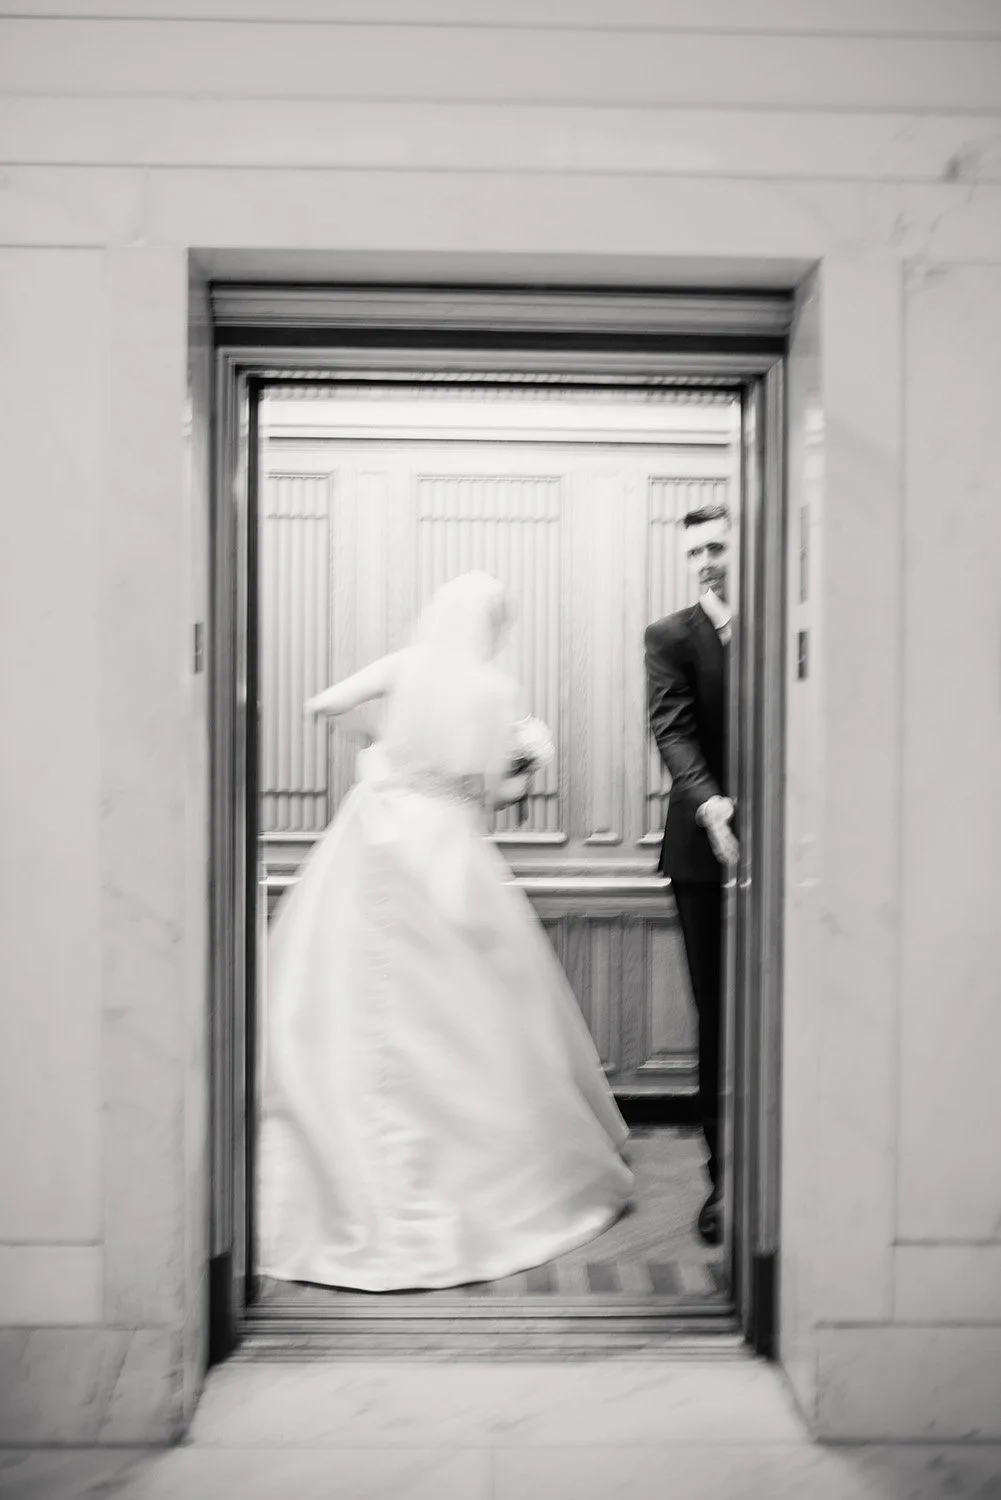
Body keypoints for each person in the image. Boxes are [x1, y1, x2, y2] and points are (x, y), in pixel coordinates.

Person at [257, 571, 633, 1292]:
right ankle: (473, 1170)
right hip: (446, 846)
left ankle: (338, 1156)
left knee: (352, 994)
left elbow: (323, 704)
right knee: (468, 1005)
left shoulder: (404, 665)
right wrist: (526, 765)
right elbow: (493, 793)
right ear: (493, 627)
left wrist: (380, 749)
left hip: (374, 835)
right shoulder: (493, 691)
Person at [644, 503, 738, 1247]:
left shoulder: (786, 623)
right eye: (694, 552)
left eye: (716, 547)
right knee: (715, 1015)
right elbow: (672, 729)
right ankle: (720, 1182)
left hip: (789, 849)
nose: (705, 562)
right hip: (700, 852)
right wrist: (709, 806)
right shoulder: (669, 636)